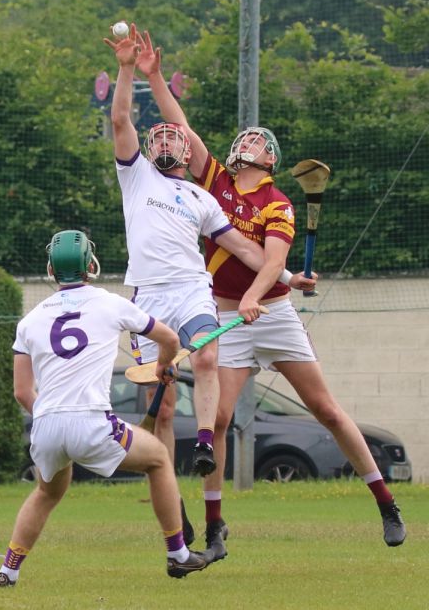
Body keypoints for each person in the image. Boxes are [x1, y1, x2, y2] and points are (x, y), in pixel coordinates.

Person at [134, 27, 407, 559]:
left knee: (326, 410)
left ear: (270, 157)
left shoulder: (278, 203)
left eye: (257, 139)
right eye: (245, 137)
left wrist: (273, 287)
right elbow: (181, 129)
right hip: (226, 316)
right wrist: (153, 77)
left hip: (274, 318)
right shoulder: (211, 181)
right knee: (215, 421)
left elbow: (272, 259)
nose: (247, 140)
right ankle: (215, 530)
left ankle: (386, 502)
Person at [104, 25, 314, 544]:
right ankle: (171, 498)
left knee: (203, 355)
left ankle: (203, 443)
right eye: (164, 137)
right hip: (148, 297)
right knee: (162, 402)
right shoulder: (135, 175)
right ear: (151, 150)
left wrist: (286, 277)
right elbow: (120, 117)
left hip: (192, 290)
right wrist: (129, 68)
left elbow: (246, 250)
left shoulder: (202, 199)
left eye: (176, 136)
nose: (170, 139)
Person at [0, 229, 213, 587]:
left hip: (45, 425)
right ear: (90, 265)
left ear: (50, 270)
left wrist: (54, 420)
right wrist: (164, 365)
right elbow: (170, 339)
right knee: (157, 457)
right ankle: (178, 554)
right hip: (91, 422)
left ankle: (8, 570)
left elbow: (22, 392)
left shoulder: (29, 320)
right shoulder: (110, 302)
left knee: (47, 493)